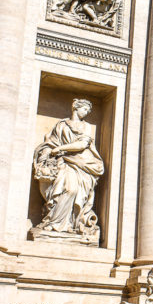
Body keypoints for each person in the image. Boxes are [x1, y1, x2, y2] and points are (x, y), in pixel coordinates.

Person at [32, 98, 104, 241]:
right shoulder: (61, 125)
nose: (87, 112)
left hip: (82, 163)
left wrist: (60, 149)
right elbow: (51, 142)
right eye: (84, 109)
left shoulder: (86, 126)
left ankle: (70, 224)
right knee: (62, 189)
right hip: (62, 162)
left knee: (73, 190)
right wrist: (47, 151)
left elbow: (82, 145)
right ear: (76, 108)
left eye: (89, 111)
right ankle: (55, 223)